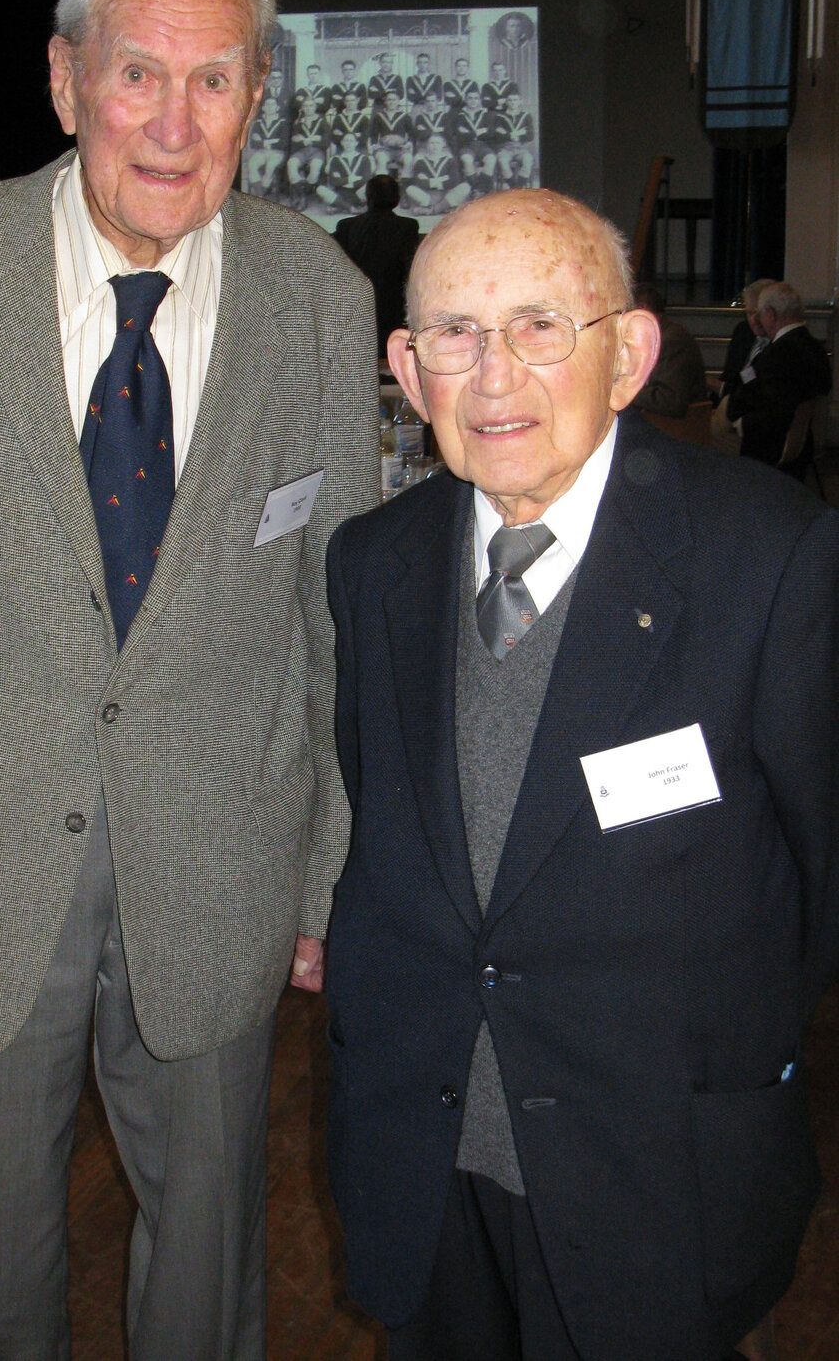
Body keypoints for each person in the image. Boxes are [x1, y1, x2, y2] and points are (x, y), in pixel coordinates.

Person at [0, 0, 379, 1361]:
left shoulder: (324, 303)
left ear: (258, 99)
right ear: (68, 78)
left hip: (220, 869)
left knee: (211, 1268)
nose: (173, 120)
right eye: (139, 70)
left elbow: (341, 625)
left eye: (216, 80)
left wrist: (330, 877)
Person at [325, 189, 839, 1361]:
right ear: (407, 369)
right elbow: (390, 837)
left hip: (656, 1169)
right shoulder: (372, 565)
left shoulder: (770, 556)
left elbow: (820, 872)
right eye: (452, 333)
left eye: (541, 325)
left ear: (629, 354)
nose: (492, 374)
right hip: (423, 1148)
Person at [726, 281, 832, 471]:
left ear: (771, 314)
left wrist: (742, 424)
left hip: (767, 450)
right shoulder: (815, 348)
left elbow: (776, 412)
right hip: (800, 446)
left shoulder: (779, 354)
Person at [334, 173, 420, 350]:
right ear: (397, 198)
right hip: (395, 309)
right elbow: (410, 269)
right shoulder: (408, 227)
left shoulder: (347, 227)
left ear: (367, 197)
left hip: (356, 310)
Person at [631, 283, 709, 418]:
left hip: (676, 428)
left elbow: (669, 401)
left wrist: (625, 392)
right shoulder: (662, 335)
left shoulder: (670, 341)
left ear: (643, 309)